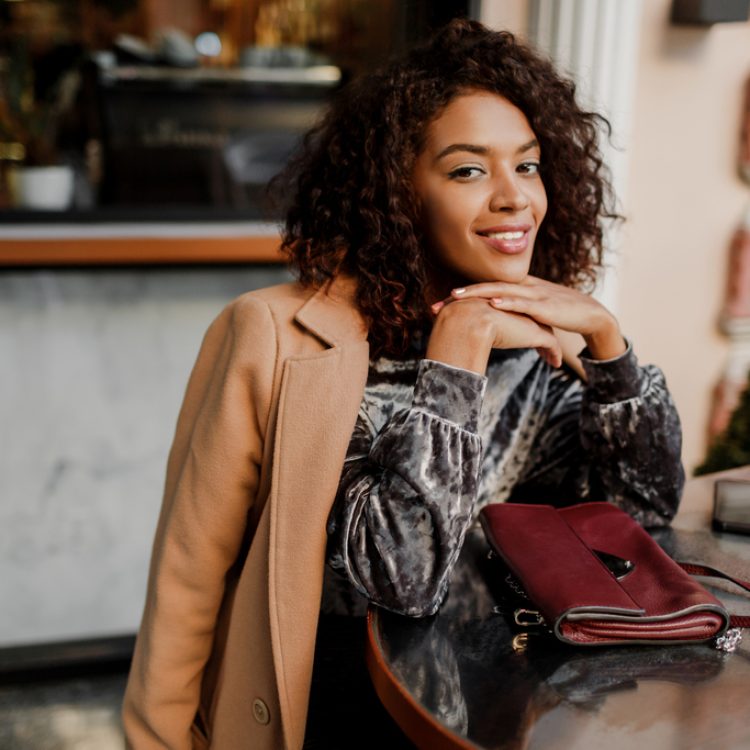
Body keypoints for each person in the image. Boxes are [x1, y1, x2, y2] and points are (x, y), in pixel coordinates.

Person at [122, 19, 684, 750]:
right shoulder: (274, 334)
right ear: (399, 191)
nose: (515, 198)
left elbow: (642, 515)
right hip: (330, 709)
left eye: (529, 164)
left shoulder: (542, 344)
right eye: (467, 170)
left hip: (488, 707)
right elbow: (211, 577)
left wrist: (609, 345)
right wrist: (457, 353)